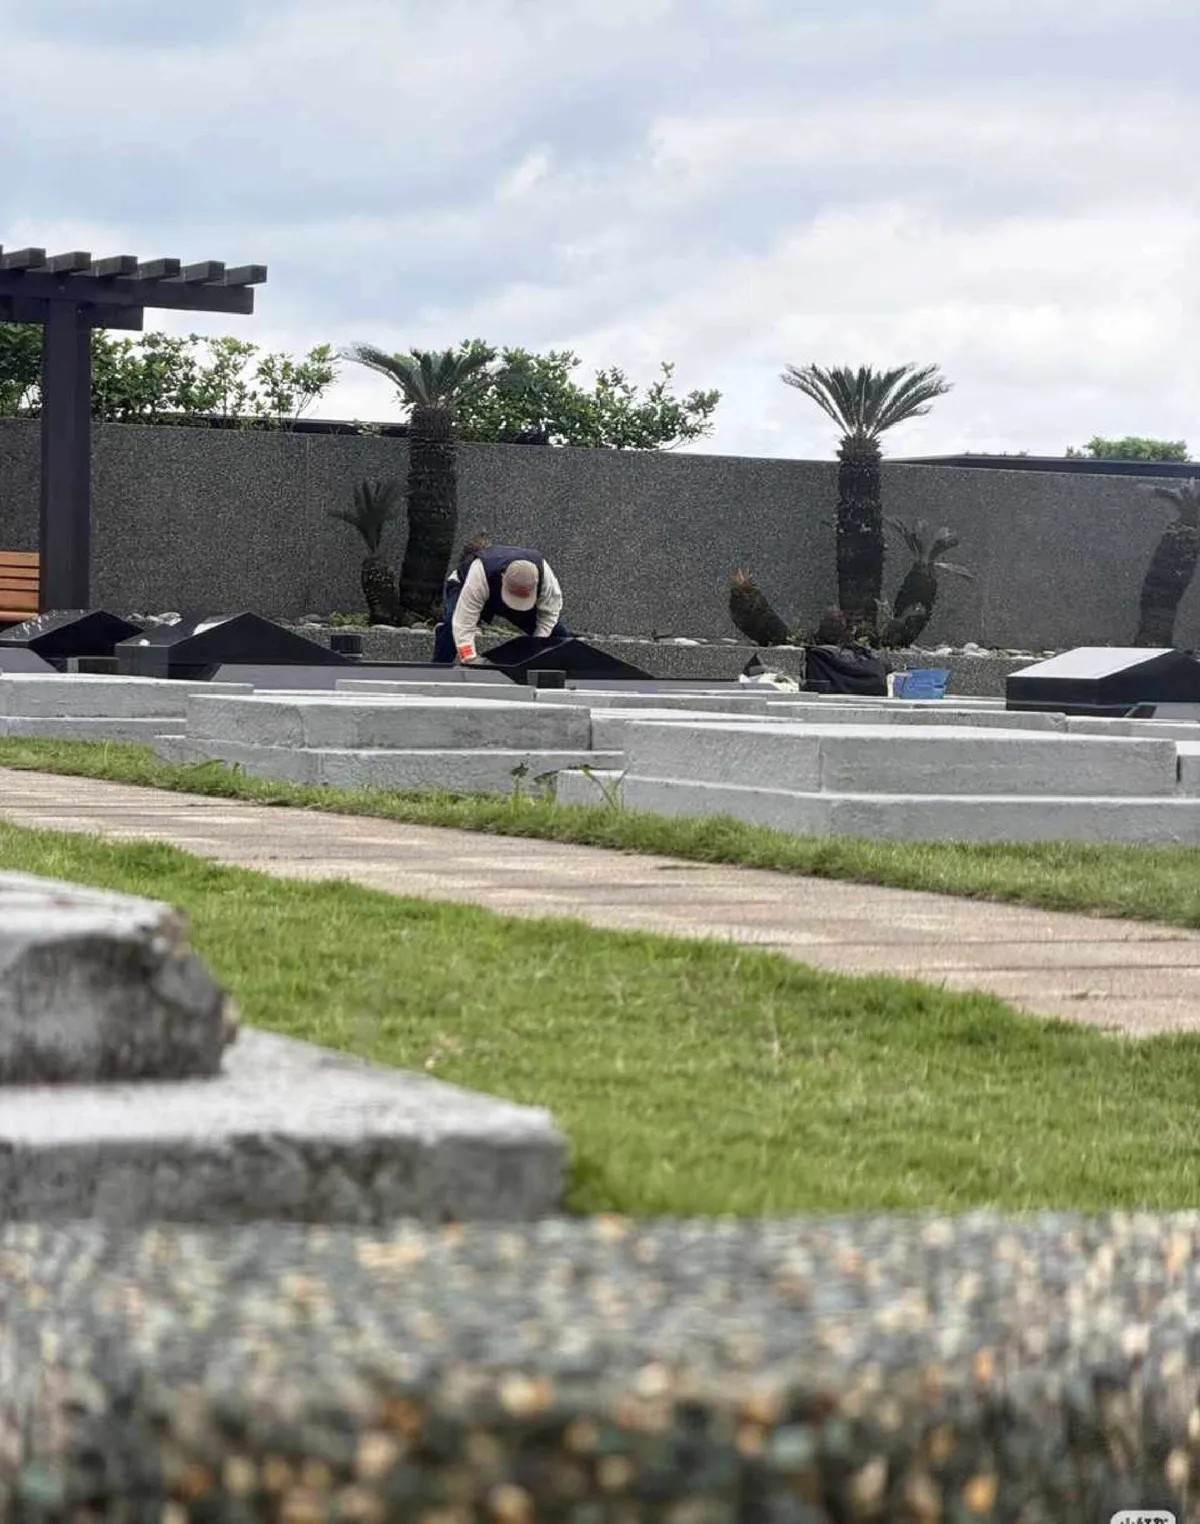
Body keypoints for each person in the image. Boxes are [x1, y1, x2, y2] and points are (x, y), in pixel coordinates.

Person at [432, 538, 571, 664]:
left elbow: (548, 616)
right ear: (503, 576)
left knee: (559, 635)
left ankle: (571, 670)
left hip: (499, 588)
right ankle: (439, 667)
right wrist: (470, 658)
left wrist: (537, 648)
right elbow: (463, 622)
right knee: (451, 625)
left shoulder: (546, 579)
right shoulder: (480, 573)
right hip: (465, 585)